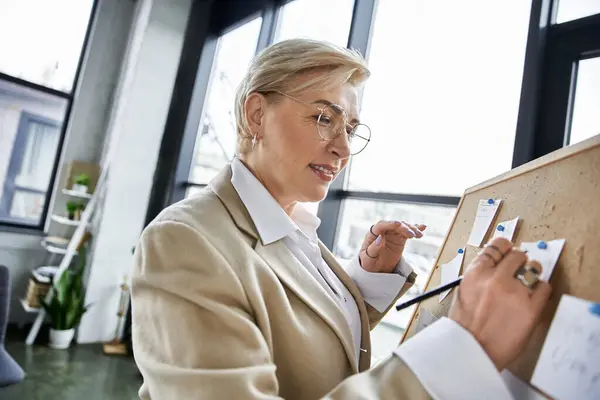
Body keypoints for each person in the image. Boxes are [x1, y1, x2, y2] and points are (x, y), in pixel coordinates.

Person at [130, 39, 551, 399]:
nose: (343, 148)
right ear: (256, 114)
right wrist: (461, 350)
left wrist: (366, 280)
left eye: (350, 127)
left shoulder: (291, 226)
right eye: (323, 118)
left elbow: (298, 338)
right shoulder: (184, 241)